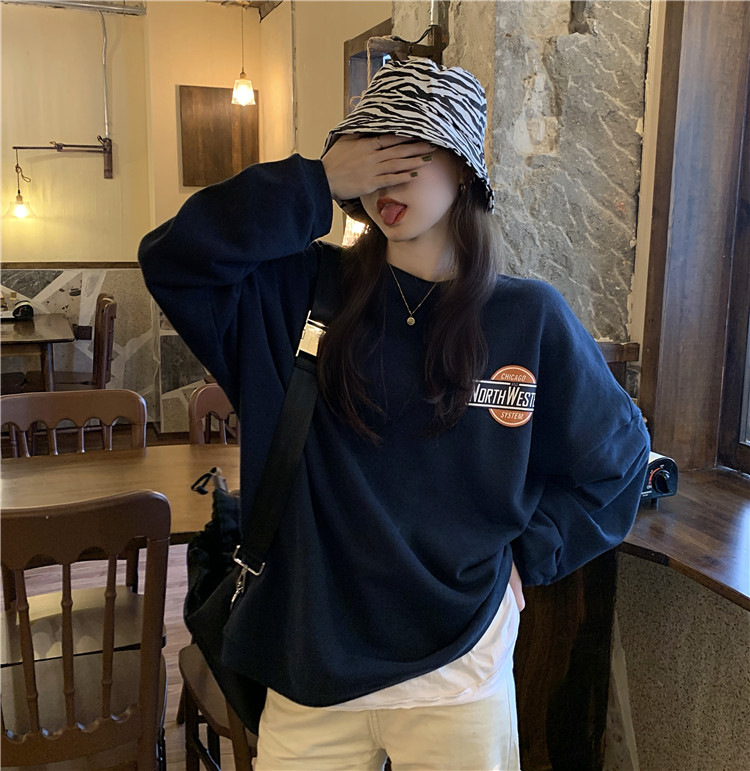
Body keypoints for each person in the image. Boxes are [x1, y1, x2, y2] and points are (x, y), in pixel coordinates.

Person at [139, 58, 649, 771]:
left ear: (463, 168)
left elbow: (619, 462)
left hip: (459, 672)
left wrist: (529, 554)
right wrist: (314, 181)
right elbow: (172, 260)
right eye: (368, 153)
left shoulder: (527, 317)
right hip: (310, 669)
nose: (385, 177)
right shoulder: (305, 293)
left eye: (408, 150)